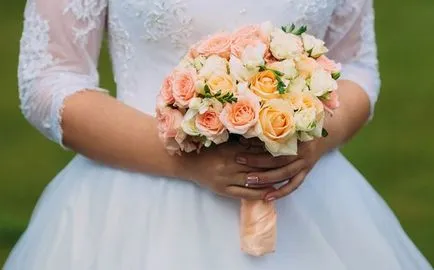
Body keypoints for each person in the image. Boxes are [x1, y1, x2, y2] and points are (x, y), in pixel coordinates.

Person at [4, 0, 433, 269]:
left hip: (308, 199)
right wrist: (182, 158)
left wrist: (316, 136)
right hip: (137, 202)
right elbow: (49, 78)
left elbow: (356, 66)